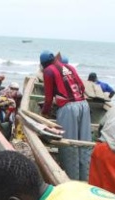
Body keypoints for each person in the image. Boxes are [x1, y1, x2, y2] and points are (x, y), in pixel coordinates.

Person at [40, 50, 92, 180]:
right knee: (84, 143)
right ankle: (85, 178)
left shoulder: (48, 71)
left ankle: (71, 179)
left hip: (68, 108)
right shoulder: (70, 67)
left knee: (68, 144)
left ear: (43, 64)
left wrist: (45, 113)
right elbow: (82, 87)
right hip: (83, 105)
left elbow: (48, 97)